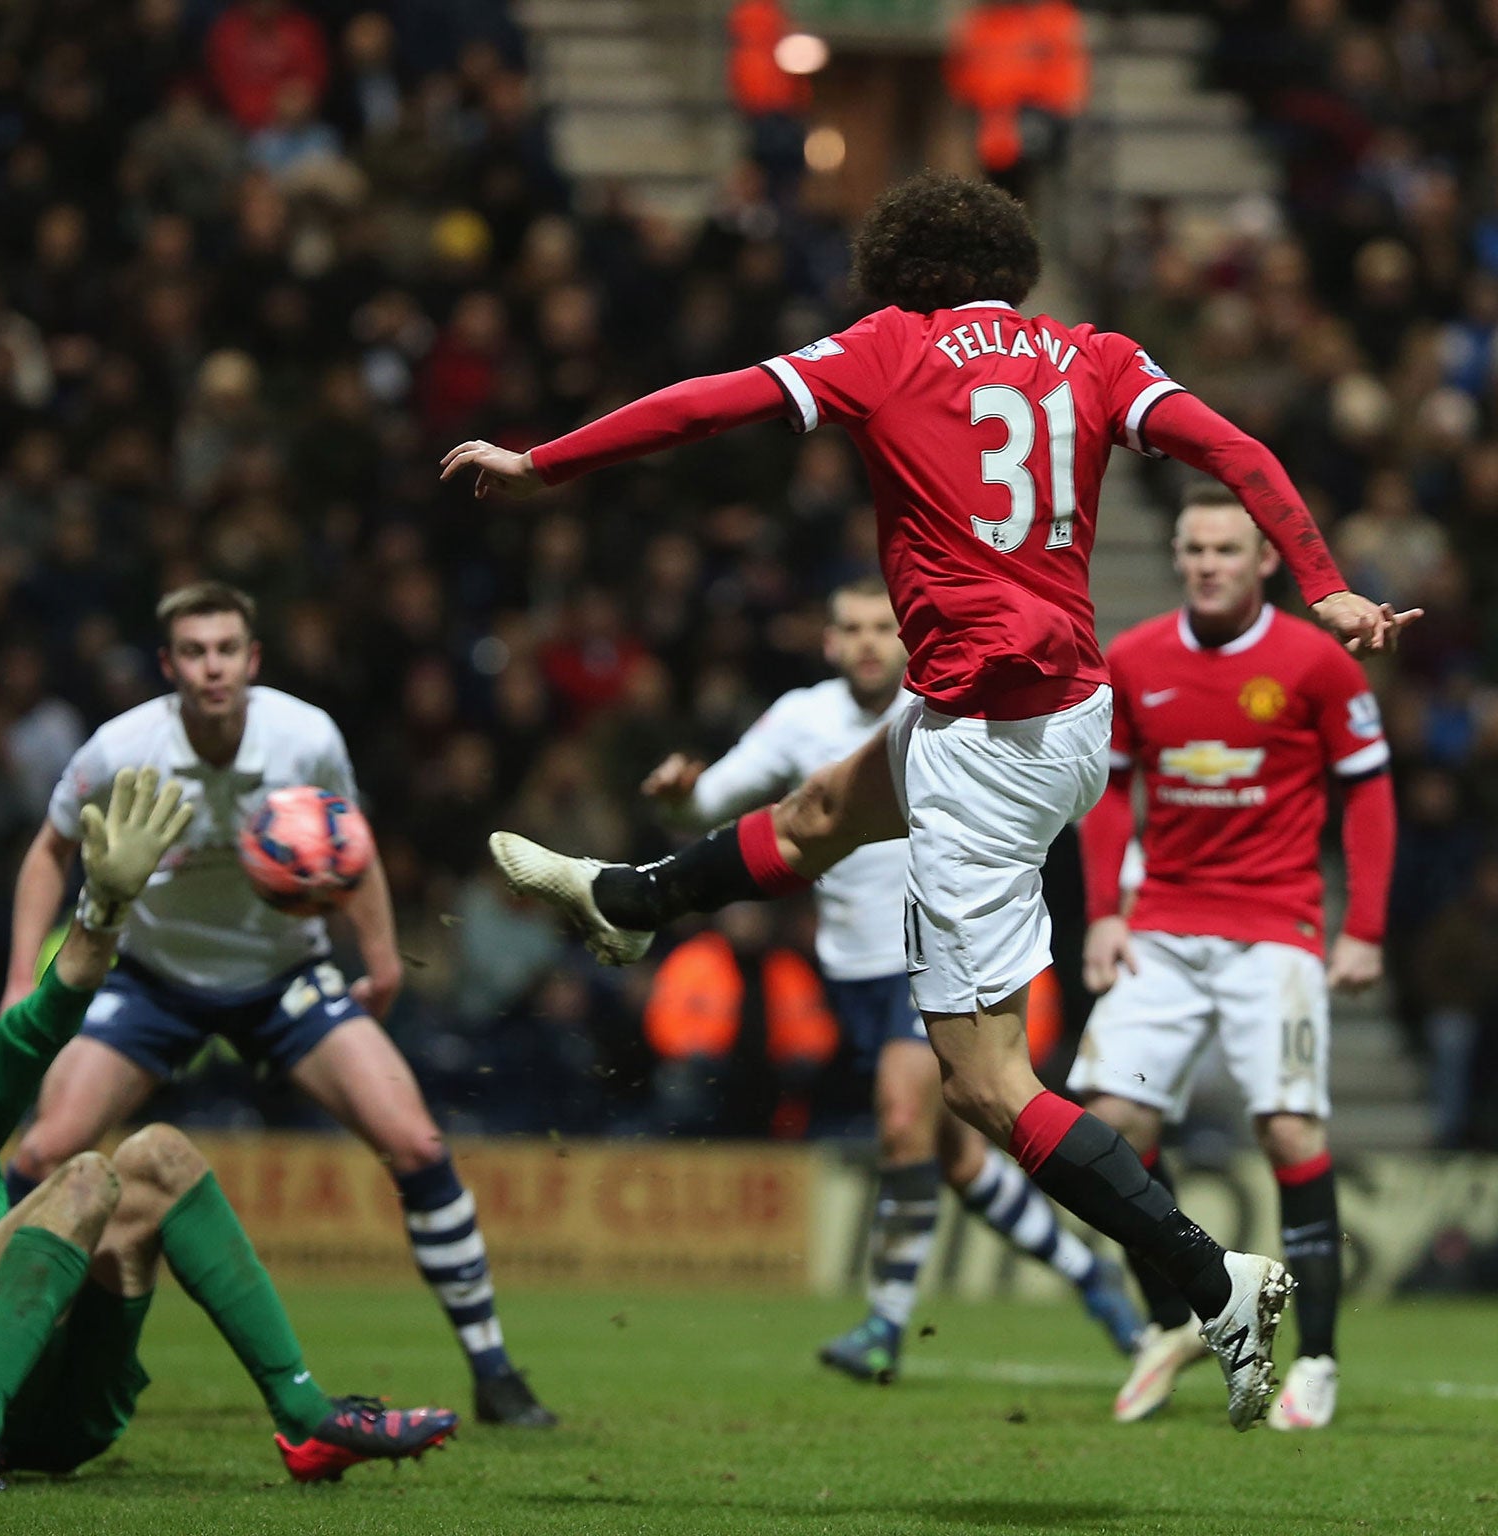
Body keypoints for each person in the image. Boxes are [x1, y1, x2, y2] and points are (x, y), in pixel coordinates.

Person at [441, 171, 1417, 1431]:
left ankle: (1208, 1277)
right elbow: (1238, 451)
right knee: (817, 815)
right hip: (1063, 711)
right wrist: (1323, 582)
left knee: (981, 1084)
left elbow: (704, 405)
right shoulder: (1095, 354)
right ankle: (632, 902)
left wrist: (543, 464)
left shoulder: (883, 348)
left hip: (987, 746)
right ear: (1013, 266)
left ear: (894, 267)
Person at [0, 717, 456, 1490]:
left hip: (57, 1404)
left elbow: (47, 1017)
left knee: (160, 1154)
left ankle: (306, 1415)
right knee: (83, 1174)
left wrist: (107, 908)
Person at [0, 581, 554, 1428]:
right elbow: (48, 850)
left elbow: (352, 845)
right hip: (152, 977)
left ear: (253, 660)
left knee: (416, 1141)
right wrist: (16, 981)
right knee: (43, 1151)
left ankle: (494, 1371)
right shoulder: (120, 748)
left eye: (227, 649)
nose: (211, 667)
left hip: (284, 978)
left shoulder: (306, 737)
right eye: (194, 652)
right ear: (168, 664)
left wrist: (378, 957)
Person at [643, 576, 1141, 1381]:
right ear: (831, 641)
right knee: (957, 1161)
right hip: (855, 974)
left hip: (947, 953)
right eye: (852, 627)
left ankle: (883, 1325)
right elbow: (716, 802)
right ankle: (1092, 1275)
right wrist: (678, 801)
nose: (871, 640)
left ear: (908, 634)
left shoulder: (952, 708)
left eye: (884, 625)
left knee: (903, 1116)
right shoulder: (802, 719)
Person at [1072, 485, 1397, 1430]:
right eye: (1195, 548)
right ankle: (1174, 1320)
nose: (1208, 563)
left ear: (1265, 562)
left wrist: (1364, 926)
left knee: (1289, 1133)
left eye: (1226, 548)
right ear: (1176, 557)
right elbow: (1105, 794)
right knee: (1105, 1122)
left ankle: (1321, 1361)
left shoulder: (1315, 664)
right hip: (1162, 928)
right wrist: (1103, 914)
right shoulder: (1133, 661)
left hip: (1274, 930)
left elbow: (1369, 797)